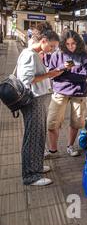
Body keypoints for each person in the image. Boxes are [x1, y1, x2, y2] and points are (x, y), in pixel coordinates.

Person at [16, 22, 63, 186]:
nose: (51, 49)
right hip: (33, 100)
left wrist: (50, 74)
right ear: (43, 40)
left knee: (38, 136)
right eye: (51, 46)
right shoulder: (30, 55)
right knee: (33, 137)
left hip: (37, 100)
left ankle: (35, 167)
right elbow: (26, 80)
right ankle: (30, 176)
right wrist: (50, 74)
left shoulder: (34, 54)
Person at [46, 29, 87, 157]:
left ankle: (70, 146)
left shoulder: (84, 56)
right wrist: (62, 68)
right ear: (63, 44)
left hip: (79, 92)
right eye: (68, 44)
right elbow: (52, 74)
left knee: (76, 122)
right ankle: (53, 150)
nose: (71, 47)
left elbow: (83, 77)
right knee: (52, 121)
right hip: (60, 92)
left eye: (73, 44)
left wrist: (61, 76)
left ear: (78, 43)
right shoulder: (57, 54)